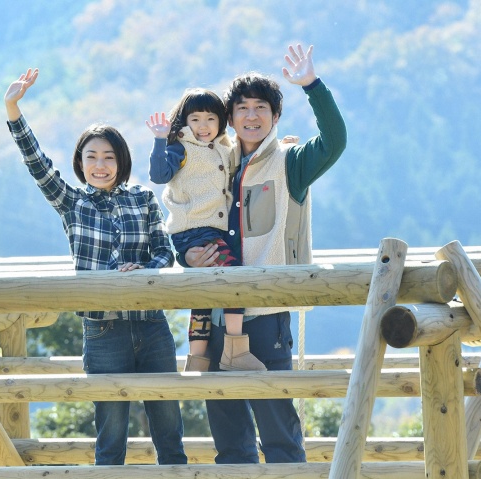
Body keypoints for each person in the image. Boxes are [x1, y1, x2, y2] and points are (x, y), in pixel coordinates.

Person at [4, 68, 187, 466]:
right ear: (80, 162)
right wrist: (13, 109)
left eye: (108, 157)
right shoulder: (72, 203)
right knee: (111, 434)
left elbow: (165, 251)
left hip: (151, 323)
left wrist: (145, 270)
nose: (100, 165)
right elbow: (37, 163)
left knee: (169, 429)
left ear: (122, 161)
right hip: (102, 330)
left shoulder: (142, 199)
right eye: (92, 157)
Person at [184, 44, 347, 463]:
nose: (251, 116)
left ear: (275, 117)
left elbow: (334, 142)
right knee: (229, 440)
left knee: (278, 433)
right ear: (229, 117)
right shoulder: (214, 163)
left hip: (266, 315)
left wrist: (312, 85)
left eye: (261, 107)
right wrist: (188, 256)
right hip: (213, 315)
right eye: (242, 108)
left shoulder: (291, 162)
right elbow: (185, 216)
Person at [146, 89, 265, 373]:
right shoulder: (181, 147)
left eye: (210, 118)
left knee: (203, 297)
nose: (203, 126)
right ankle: (235, 350)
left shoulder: (223, 147)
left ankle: (197, 359)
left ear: (221, 122)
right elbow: (159, 175)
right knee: (234, 278)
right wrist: (160, 140)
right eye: (195, 119)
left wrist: (282, 145)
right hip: (193, 231)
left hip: (210, 231)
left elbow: (252, 156)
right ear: (184, 122)